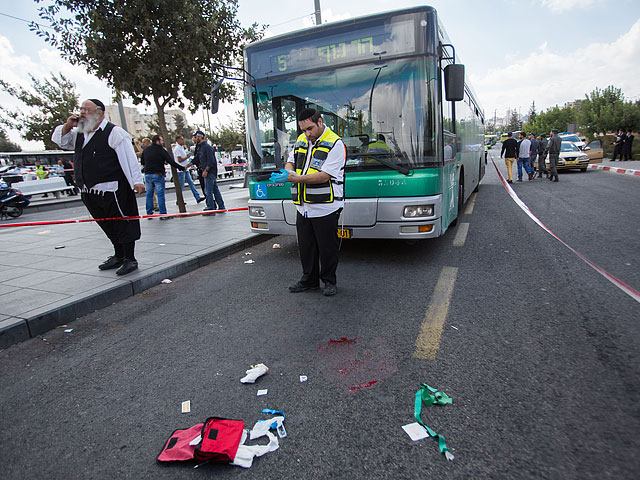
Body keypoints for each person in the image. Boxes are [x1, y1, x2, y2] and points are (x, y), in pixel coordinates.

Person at [51, 98, 145, 275]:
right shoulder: (80, 133)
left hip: (113, 189)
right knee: (105, 224)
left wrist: (137, 181)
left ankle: (129, 259)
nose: (82, 112)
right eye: (81, 109)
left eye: (87, 109)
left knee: (122, 223)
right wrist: (67, 125)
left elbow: (129, 158)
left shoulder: (114, 132)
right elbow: (60, 141)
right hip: (89, 190)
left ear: (99, 113)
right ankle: (118, 255)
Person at [270, 108, 346, 297]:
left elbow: (324, 176)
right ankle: (310, 280)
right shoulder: (302, 140)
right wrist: (287, 172)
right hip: (303, 206)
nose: (307, 134)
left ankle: (329, 281)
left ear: (320, 122)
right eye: (303, 130)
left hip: (325, 206)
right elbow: (291, 161)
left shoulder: (335, 144)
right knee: (306, 247)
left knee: (327, 247)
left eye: (310, 129)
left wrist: (295, 179)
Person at [140, 134, 184, 219]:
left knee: (149, 194)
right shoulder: (161, 150)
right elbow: (170, 161)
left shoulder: (146, 150)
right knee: (160, 195)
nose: (162, 142)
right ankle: (163, 214)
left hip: (148, 175)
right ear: (157, 141)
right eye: (161, 140)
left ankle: (149, 213)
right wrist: (181, 168)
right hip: (158, 175)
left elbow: (142, 162)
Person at [193, 130, 225, 213]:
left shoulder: (206, 147)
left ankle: (210, 207)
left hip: (210, 171)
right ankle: (221, 206)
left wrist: (206, 170)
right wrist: (187, 165)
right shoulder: (200, 147)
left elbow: (211, 160)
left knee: (208, 190)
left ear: (200, 137)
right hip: (208, 171)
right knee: (214, 190)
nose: (195, 139)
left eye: (196, 137)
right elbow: (196, 158)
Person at [173, 135, 205, 205]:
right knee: (181, 186)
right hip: (181, 170)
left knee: (191, 183)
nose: (183, 141)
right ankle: (179, 200)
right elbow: (179, 160)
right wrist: (187, 157)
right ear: (178, 140)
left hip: (185, 169)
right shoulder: (177, 149)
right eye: (181, 139)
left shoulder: (181, 148)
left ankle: (197, 197)